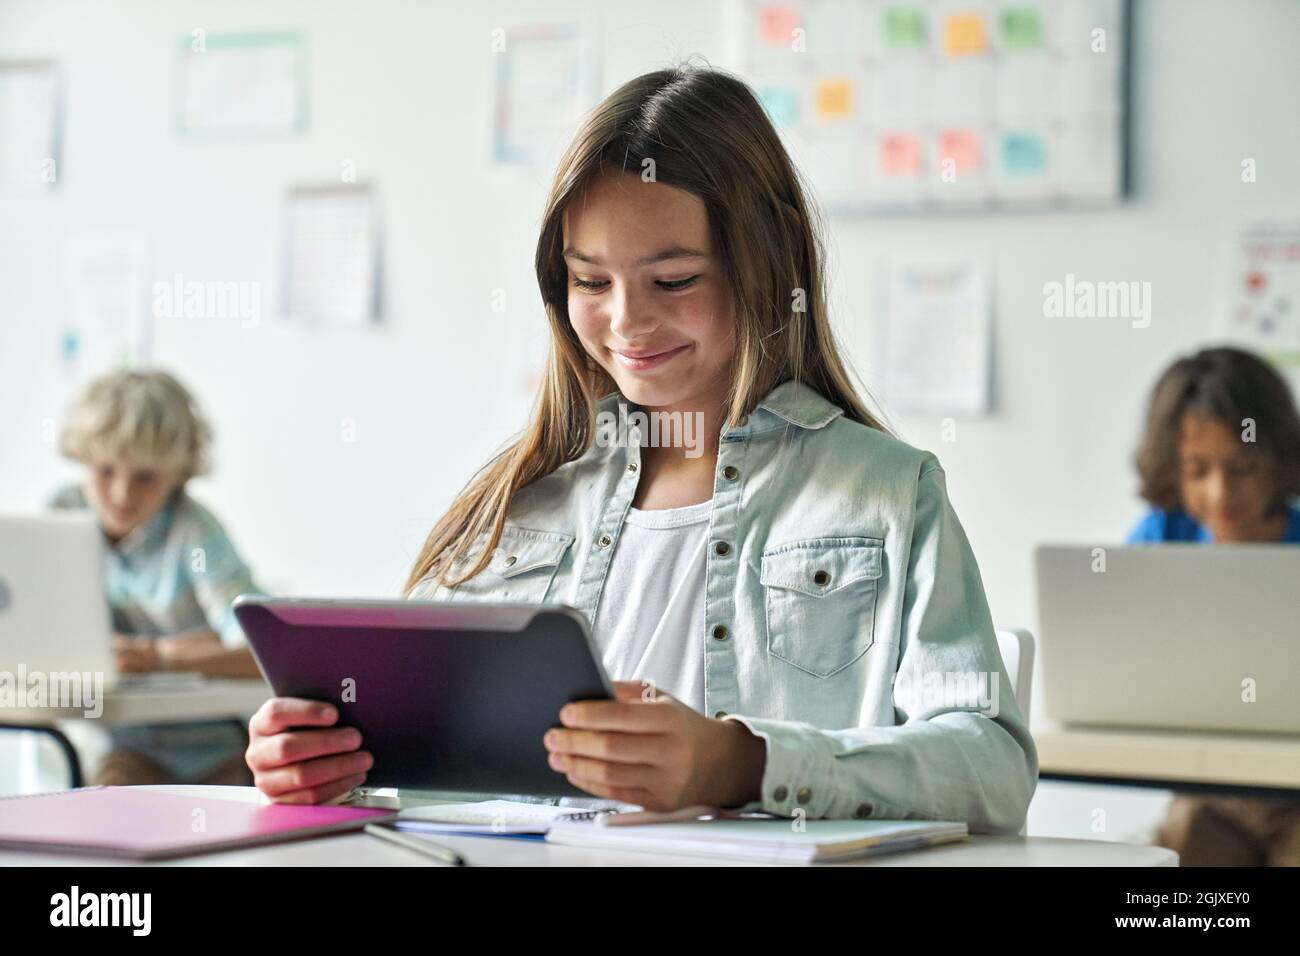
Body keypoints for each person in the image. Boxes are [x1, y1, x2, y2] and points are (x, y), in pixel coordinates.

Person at [245, 63, 1038, 830]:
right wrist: (334, 772)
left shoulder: (888, 496)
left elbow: (989, 766)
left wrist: (744, 765)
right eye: (591, 283)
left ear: (765, 260)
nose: (626, 322)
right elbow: (422, 790)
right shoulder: (518, 508)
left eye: (673, 280)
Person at [1127, 346, 1300, 865]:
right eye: (1197, 469)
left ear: (1277, 460)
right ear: (1170, 467)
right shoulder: (1161, 538)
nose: (1220, 492)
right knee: (1186, 835)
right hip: (1205, 791)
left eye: (1241, 467)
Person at [52, 369, 262, 786]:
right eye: (105, 470)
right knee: (102, 806)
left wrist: (155, 658)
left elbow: (258, 647)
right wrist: (197, 648)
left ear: (177, 473)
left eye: (146, 476)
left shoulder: (195, 531)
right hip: (127, 749)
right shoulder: (60, 517)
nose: (122, 494)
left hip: (217, 749)